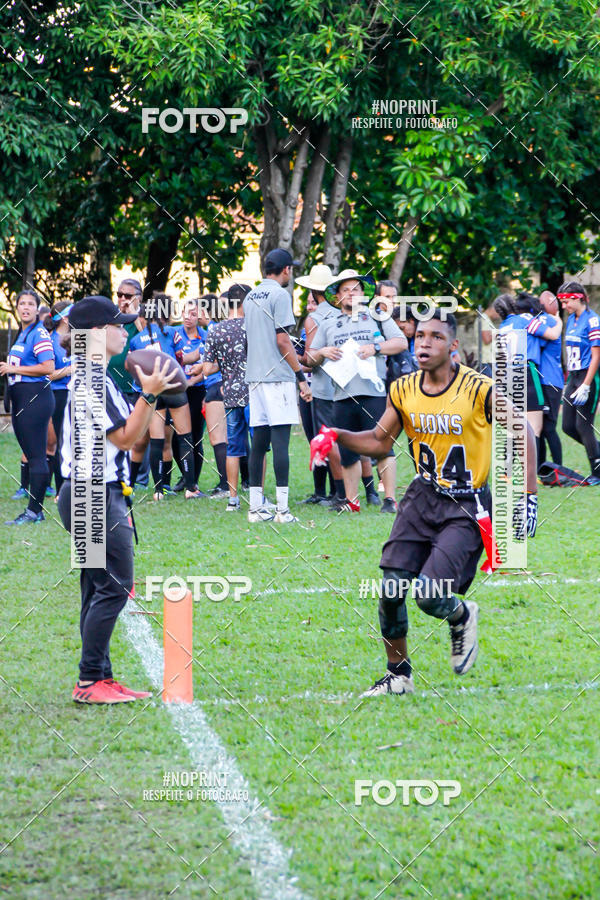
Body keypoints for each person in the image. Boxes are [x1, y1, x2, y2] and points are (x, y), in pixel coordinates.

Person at [310, 310, 538, 696]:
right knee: (391, 589)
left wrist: (528, 498)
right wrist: (337, 434)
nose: (425, 344)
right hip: (422, 496)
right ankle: (398, 675)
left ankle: (462, 614)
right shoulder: (403, 388)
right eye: (420, 337)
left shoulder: (477, 389)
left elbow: (523, 432)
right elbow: (380, 441)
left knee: (431, 594)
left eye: (435, 337)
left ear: (453, 346)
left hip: (466, 503)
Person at [58, 295, 176, 703]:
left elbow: (129, 433)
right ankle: (90, 680)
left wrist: (150, 396)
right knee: (116, 585)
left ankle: (99, 677)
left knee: (96, 586)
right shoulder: (92, 377)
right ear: (94, 334)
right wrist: (150, 393)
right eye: (117, 324)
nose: (125, 331)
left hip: (89, 490)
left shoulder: (95, 375)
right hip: (92, 493)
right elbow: (127, 438)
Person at [307, 269, 406, 513]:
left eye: (356, 289)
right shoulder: (329, 323)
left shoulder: (378, 316)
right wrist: (322, 353)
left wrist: (375, 347)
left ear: (363, 294)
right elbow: (309, 358)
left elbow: (401, 342)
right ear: (337, 296)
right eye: (346, 290)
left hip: (373, 392)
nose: (352, 294)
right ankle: (352, 501)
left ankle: (390, 500)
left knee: (383, 445)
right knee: (348, 449)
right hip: (341, 395)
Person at [243, 248, 312, 524]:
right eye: (291, 269)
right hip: (277, 377)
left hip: (255, 375)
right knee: (281, 441)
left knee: (258, 443)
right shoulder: (280, 295)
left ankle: (255, 508)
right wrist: (300, 377)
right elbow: (283, 341)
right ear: (286, 270)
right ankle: (283, 511)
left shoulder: (250, 296)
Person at [128, 295, 200, 500]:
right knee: (185, 437)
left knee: (157, 440)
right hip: (174, 389)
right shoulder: (172, 333)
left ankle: (158, 490)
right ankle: (191, 488)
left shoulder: (135, 340)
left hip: (153, 391)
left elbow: (133, 365)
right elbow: (179, 360)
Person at [1, 290, 55, 525]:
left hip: (36, 397)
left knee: (36, 456)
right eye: (21, 303)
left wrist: (14, 370)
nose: (25, 308)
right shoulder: (24, 333)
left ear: (37, 308)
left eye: (30, 304)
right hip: (22, 398)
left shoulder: (39, 332)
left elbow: (48, 367)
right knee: (32, 455)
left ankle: (35, 511)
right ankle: (35, 509)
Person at [297, 264, 345, 505]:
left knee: (320, 439)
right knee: (339, 437)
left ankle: (326, 493)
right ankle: (343, 490)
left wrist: (293, 357)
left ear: (314, 292)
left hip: (322, 387)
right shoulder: (342, 313)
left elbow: (310, 359)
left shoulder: (313, 319)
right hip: (345, 387)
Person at [201, 284, 252, 510]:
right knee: (258, 445)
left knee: (233, 447)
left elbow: (207, 368)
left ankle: (232, 499)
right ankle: (257, 497)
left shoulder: (216, 330)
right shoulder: (253, 326)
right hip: (253, 393)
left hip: (229, 394)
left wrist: (226, 364)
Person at [495, 292, 561, 459]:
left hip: (508, 376)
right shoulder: (524, 319)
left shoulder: (502, 328)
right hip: (526, 372)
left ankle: (506, 472)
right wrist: (559, 320)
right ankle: (532, 471)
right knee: (534, 428)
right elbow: (552, 335)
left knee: (514, 426)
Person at [108, 279, 149, 489]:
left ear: (138, 298)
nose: (122, 299)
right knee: (117, 431)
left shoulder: (142, 320)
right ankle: (121, 473)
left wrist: (134, 314)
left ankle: (140, 478)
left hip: (133, 386)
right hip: (112, 385)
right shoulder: (111, 318)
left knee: (139, 433)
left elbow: (147, 342)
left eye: (128, 295)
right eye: (120, 294)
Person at [557, 281, 600, 480]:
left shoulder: (592, 321)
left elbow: (596, 356)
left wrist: (586, 384)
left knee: (584, 426)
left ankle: (597, 472)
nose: (564, 307)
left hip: (587, 376)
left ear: (578, 298)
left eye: (567, 302)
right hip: (574, 376)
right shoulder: (572, 320)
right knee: (567, 426)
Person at [174, 298, 208, 492]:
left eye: (193, 314)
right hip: (177, 390)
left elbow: (210, 367)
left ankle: (192, 481)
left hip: (197, 390)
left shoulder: (204, 336)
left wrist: (195, 377)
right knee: (175, 437)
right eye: (186, 313)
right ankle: (186, 476)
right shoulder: (173, 334)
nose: (188, 317)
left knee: (195, 436)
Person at [46, 301, 73, 496]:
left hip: (76, 392)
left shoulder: (77, 338)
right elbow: (48, 374)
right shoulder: (50, 340)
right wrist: (68, 370)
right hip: (58, 394)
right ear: (64, 318)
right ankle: (60, 490)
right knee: (60, 442)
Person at [536, 291, 564, 468]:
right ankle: (542, 467)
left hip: (550, 382)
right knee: (539, 428)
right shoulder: (552, 321)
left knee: (548, 428)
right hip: (545, 382)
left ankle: (558, 467)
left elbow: (538, 343)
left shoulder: (547, 321)